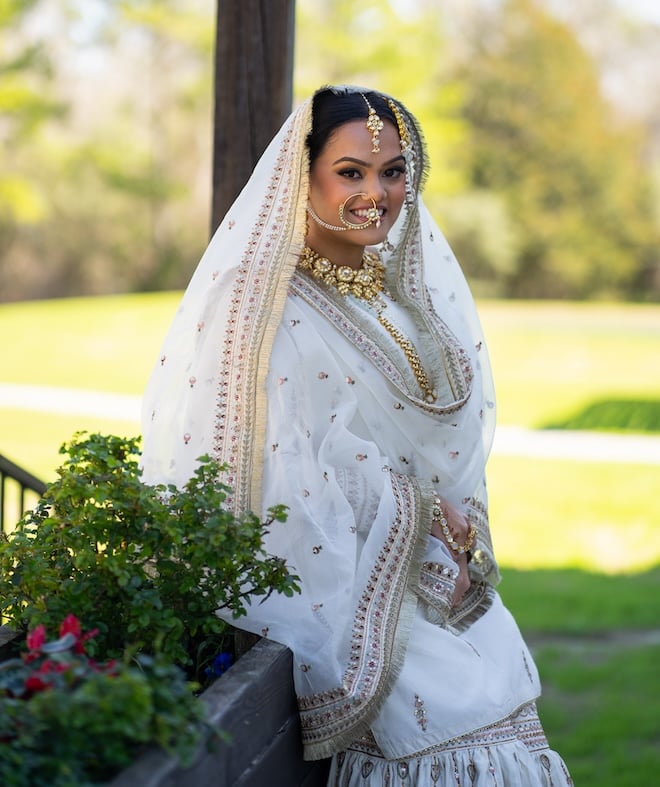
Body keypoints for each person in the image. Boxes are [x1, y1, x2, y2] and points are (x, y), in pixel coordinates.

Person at [141, 85, 573, 785]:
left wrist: (450, 533)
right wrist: (427, 515)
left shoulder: (392, 291)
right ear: (300, 176)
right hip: (347, 591)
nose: (378, 192)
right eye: (351, 172)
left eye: (394, 171)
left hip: (433, 582)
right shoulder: (262, 313)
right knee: (455, 725)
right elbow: (279, 482)